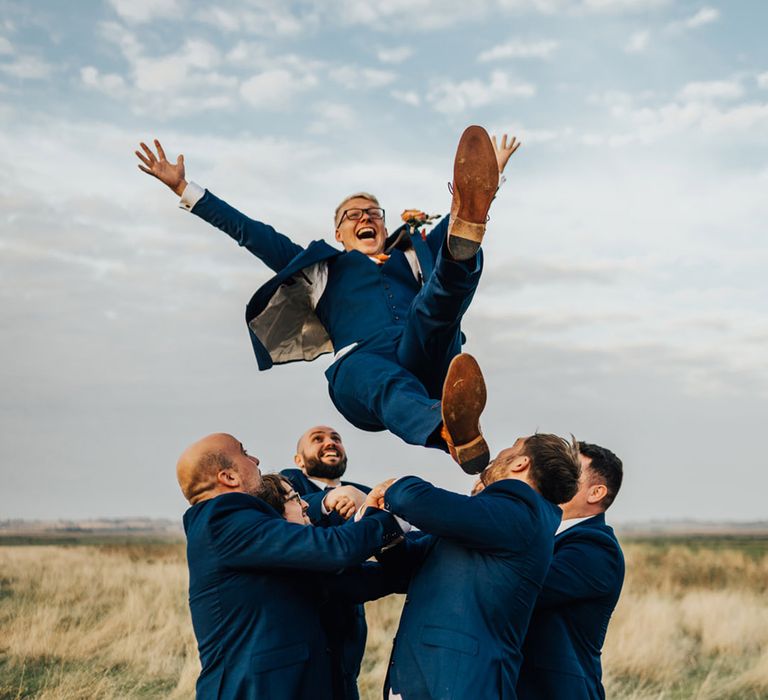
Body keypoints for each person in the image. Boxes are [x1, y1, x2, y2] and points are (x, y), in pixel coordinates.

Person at [136, 128, 520, 474]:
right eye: (352, 215)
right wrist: (186, 189)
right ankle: (448, 429)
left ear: (385, 226)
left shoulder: (413, 253)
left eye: (373, 213)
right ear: (339, 232)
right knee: (376, 375)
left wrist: (488, 178)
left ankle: (454, 429)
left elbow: (459, 213)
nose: (364, 217)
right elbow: (251, 233)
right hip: (362, 367)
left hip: (426, 352)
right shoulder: (324, 269)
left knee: (440, 297)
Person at [176, 432, 403, 700]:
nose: (256, 459)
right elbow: (332, 548)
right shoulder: (221, 518)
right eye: (245, 452)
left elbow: (351, 579)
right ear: (229, 477)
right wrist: (387, 517)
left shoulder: (253, 537)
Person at [367, 433, 581, 699]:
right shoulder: (490, 520)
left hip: (461, 685)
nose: (498, 455)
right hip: (421, 680)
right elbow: (409, 561)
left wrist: (394, 486)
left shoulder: (521, 511)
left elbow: (415, 500)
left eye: (511, 447)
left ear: (520, 463)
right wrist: (380, 523)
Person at [517, 441, 625, 700]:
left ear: (595, 493)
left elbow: (525, 586)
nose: (555, 474)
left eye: (570, 470)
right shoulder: (540, 532)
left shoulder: (597, 549)